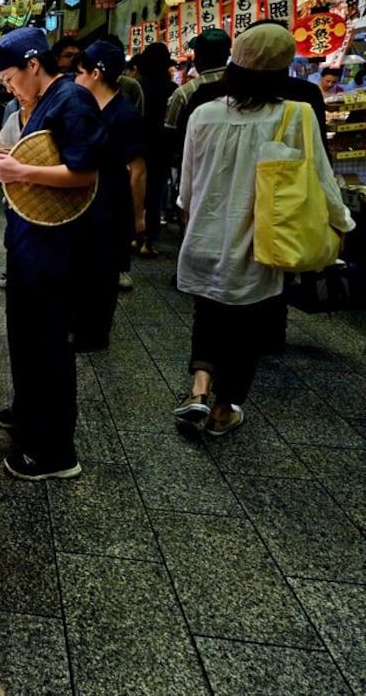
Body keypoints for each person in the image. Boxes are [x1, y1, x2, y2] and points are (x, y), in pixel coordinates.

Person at [172, 22, 355, 435]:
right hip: (261, 241)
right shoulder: (297, 114)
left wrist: (190, 220)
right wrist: (342, 223)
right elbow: (321, 178)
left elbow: (186, 189)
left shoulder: (204, 114)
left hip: (204, 235)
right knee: (250, 324)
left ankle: (198, 389)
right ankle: (223, 409)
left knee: (208, 311)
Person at [0, 27, 105, 480]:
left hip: (57, 246)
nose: (8, 88)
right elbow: (44, 158)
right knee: (27, 335)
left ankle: (55, 452)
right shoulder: (41, 103)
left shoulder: (73, 101)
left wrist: (20, 169)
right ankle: (28, 413)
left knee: (49, 342)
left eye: (10, 78)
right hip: (31, 240)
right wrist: (4, 154)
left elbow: (83, 173)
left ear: (34, 65)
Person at [71, 40, 147, 346]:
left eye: (79, 72)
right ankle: (79, 326)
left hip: (112, 207)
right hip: (85, 203)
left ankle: (95, 336)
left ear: (97, 73)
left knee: (103, 274)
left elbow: (139, 170)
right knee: (83, 268)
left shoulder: (125, 115)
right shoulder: (87, 108)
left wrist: (138, 217)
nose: (75, 79)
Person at [132, 43, 178, 256]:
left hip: (137, 146)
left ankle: (133, 236)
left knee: (134, 190)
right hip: (161, 147)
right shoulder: (172, 90)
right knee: (155, 195)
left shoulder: (137, 86)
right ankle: (148, 241)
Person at [163, 28, 232, 156]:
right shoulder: (243, 87)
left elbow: (169, 133)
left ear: (198, 59)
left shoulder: (184, 93)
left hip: (194, 165)